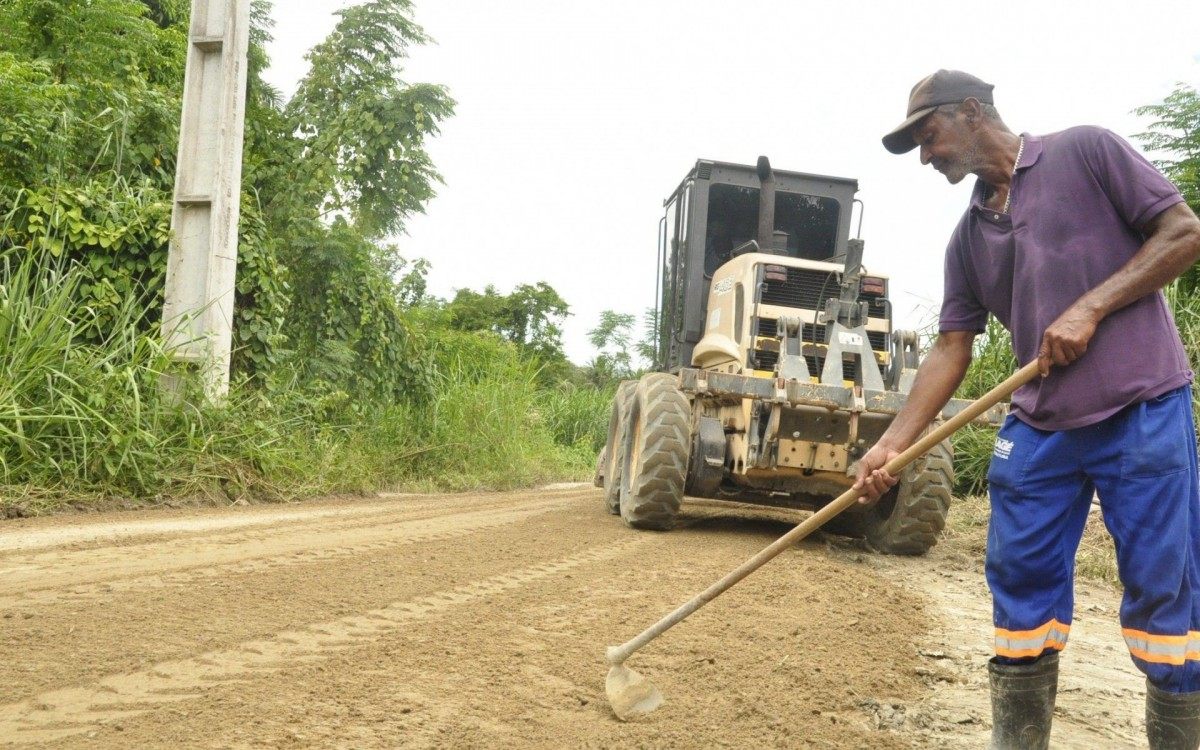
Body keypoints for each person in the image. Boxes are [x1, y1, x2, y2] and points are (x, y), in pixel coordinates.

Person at [857, 69, 1200, 749]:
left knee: (1165, 588)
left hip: (1140, 407)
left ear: (973, 112)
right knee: (1019, 578)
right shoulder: (970, 236)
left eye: (929, 137)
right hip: (1041, 424)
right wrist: (894, 444)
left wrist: (1092, 306)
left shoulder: (1086, 153)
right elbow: (952, 346)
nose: (927, 157)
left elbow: (1184, 232)